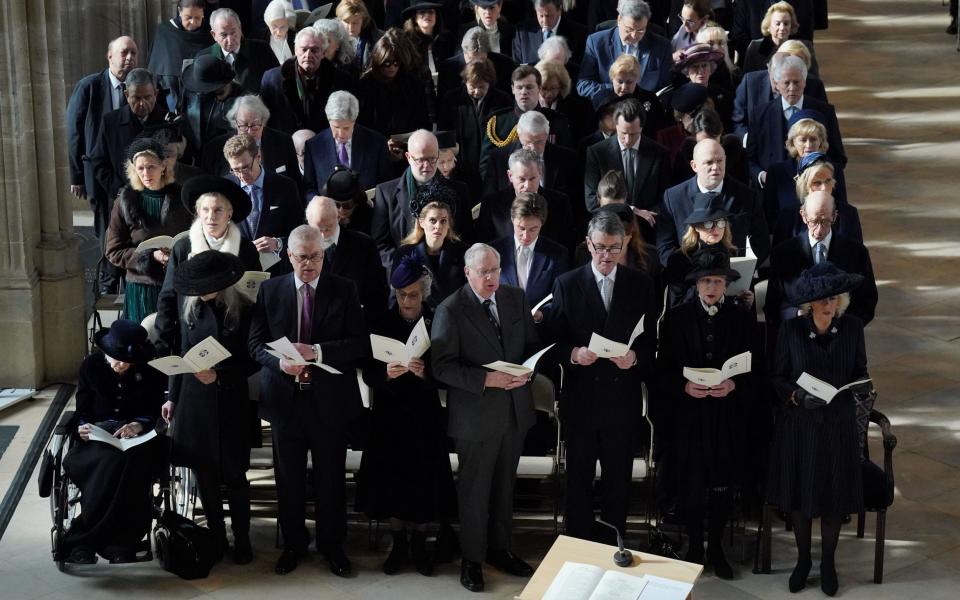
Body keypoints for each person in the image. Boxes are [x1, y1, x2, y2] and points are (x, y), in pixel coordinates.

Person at [249, 224, 368, 576]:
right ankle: (294, 544)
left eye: (316, 256)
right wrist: (280, 362)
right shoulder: (270, 291)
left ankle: (332, 546)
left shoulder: (344, 290)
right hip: (286, 401)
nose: (309, 264)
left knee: (331, 478)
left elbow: (359, 344)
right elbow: (255, 345)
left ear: (324, 254)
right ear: (289, 256)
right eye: (302, 257)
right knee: (289, 479)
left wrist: (315, 352)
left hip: (329, 401)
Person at [432, 243, 540, 593]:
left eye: (495, 270)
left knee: (504, 488)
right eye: (484, 272)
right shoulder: (451, 309)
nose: (492, 277)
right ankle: (472, 559)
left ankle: (500, 549)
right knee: (475, 491)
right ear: (467, 273)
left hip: (513, 411)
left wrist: (529, 371)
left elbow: (531, 347)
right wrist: (485, 379)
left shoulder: (515, 298)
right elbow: (442, 366)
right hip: (476, 418)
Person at [546, 211, 658, 545]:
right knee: (578, 481)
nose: (606, 256)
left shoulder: (640, 284)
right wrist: (573, 355)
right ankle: (577, 548)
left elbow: (652, 344)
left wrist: (635, 358)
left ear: (624, 243)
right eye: (599, 248)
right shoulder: (567, 283)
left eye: (613, 248)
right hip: (581, 400)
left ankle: (614, 546)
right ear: (588, 244)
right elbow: (551, 345)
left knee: (617, 482)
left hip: (620, 402)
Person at [767, 262, 871, 597]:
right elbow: (778, 378)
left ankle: (827, 562)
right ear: (811, 302)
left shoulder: (853, 328)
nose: (829, 304)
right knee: (800, 498)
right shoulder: (791, 331)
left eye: (834, 298)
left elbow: (860, 371)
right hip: (801, 426)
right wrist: (796, 396)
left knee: (833, 497)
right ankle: (803, 561)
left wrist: (859, 389)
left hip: (837, 426)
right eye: (822, 299)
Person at [656, 244, 754, 578]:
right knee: (693, 483)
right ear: (696, 284)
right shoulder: (678, 318)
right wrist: (684, 387)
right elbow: (664, 369)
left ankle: (716, 548)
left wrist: (734, 386)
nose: (711, 288)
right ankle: (695, 546)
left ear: (726, 284)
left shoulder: (741, 319)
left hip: (726, 415)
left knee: (722, 482)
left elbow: (755, 368)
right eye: (705, 282)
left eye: (717, 281)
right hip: (690, 415)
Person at [357, 254, 457, 576]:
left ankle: (419, 543)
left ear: (424, 293)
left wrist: (426, 372)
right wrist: (386, 373)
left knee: (424, 481)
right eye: (401, 294)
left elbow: (448, 370)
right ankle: (398, 543)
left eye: (413, 294)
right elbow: (368, 372)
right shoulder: (381, 322)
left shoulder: (437, 320)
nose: (407, 301)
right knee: (392, 481)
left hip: (425, 416)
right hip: (389, 415)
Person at [162, 250, 258, 564]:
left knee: (235, 476)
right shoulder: (188, 306)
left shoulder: (243, 309)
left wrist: (220, 374)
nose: (200, 292)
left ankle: (242, 538)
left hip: (230, 401)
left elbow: (253, 360)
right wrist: (172, 396)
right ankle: (217, 536)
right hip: (194, 401)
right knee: (204, 475)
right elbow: (182, 351)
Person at [59, 320, 164, 564]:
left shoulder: (148, 369)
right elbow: (82, 409)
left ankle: (117, 540)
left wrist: (138, 425)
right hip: (97, 437)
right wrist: (82, 427)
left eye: (127, 361)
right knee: (106, 464)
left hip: (136, 440)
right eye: (117, 359)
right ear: (106, 352)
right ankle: (95, 540)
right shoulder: (91, 366)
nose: (122, 365)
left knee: (129, 465)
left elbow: (153, 409)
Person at [155, 175, 260, 354]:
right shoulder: (183, 248)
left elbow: (256, 297)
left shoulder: (246, 249)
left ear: (230, 213)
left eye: (218, 210)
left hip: (232, 342)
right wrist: (162, 346)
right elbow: (168, 298)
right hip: (191, 340)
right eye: (205, 210)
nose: (211, 217)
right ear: (198, 212)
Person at [766, 190, 877, 343]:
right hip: (797, 340)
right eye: (814, 221)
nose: (819, 230)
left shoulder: (856, 253)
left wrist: (840, 327)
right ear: (803, 216)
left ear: (835, 217)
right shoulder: (783, 254)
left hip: (841, 342)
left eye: (825, 222)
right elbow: (774, 305)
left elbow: (867, 302)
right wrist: (798, 318)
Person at [105, 138, 192, 324]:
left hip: (177, 283)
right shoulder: (124, 202)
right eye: (140, 168)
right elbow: (113, 251)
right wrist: (150, 257)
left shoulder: (182, 198)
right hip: (142, 286)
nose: (146, 173)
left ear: (163, 166)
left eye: (151, 167)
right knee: (144, 343)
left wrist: (177, 254)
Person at [657, 138, 769, 266]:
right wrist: (690, 272)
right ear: (694, 166)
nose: (715, 167)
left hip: (735, 278)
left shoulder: (747, 196)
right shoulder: (673, 198)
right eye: (709, 162)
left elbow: (761, 243)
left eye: (719, 161)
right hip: (688, 280)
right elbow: (665, 246)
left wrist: (739, 270)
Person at [372, 129, 473, 267]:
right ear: (408, 157)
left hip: (448, 275)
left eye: (432, 159)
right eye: (420, 160)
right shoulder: (386, 193)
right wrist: (403, 267)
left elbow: (467, 237)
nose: (427, 166)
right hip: (405, 276)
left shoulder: (459, 191)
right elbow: (380, 245)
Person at [68, 36, 139, 227]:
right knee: (105, 227)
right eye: (124, 52)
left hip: (133, 172)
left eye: (134, 53)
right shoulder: (88, 87)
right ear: (109, 56)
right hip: (99, 172)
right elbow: (74, 132)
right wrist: (77, 176)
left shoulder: (141, 87)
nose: (130, 57)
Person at [747, 56, 845, 187]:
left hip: (813, 190)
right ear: (776, 84)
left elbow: (838, 157)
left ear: (805, 82)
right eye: (786, 83)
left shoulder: (824, 112)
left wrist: (821, 176)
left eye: (797, 82)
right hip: (773, 192)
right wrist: (762, 176)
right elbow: (750, 158)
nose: (792, 88)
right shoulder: (760, 114)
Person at [583, 98, 670, 243]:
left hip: (647, 233)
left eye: (634, 134)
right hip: (608, 231)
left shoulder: (659, 154)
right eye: (623, 133)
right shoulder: (597, 152)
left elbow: (665, 197)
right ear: (615, 125)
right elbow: (591, 200)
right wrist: (631, 209)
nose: (628, 140)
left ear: (642, 128)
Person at [223, 133, 303, 275]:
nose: (242, 175)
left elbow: (297, 231)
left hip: (276, 272)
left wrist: (278, 243)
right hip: (237, 271)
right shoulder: (225, 187)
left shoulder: (286, 186)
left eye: (246, 167)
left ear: (258, 156)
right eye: (235, 170)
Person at [90, 68, 169, 207]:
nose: (142, 103)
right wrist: (119, 191)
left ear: (156, 94)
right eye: (136, 98)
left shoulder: (169, 122)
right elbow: (99, 162)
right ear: (126, 95)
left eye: (147, 97)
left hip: (161, 199)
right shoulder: (111, 122)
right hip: (123, 200)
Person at [662, 192, 755, 309]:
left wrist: (742, 300)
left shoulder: (730, 253)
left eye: (720, 222)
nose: (715, 228)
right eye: (708, 223)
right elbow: (675, 304)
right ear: (696, 227)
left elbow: (730, 296)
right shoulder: (679, 258)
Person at [490, 193, 569, 322]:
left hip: (540, 332)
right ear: (512, 219)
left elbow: (560, 299)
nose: (526, 236)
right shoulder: (493, 251)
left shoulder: (558, 254)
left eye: (533, 229)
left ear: (542, 224)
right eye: (521, 228)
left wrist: (542, 314)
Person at [260, 26, 353, 134]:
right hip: (286, 144)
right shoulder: (272, 79)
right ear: (295, 50)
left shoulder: (341, 80)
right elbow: (265, 119)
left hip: (323, 143)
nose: (308, 55)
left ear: (323, 53)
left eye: (314, 50)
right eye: (304, 49)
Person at [201, 94, 302, 193]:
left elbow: (296, 183)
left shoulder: (283, 141)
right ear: (235, 123)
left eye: (254, 125)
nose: (249, 132)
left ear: (263, 122)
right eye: (244, 125)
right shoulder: (214, 149)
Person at [306, 195, 388, 317]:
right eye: (318, 230)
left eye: (328, 229)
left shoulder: (364, 245)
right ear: (308, 222)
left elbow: (378, 292)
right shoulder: (300, 249)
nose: (323, 236)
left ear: (338, 217)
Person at [301, 91, 392, 200]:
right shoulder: (314, 146)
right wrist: (320, 205)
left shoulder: (377, 142)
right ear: (328, 120)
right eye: (335, 127)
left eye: (346, 128)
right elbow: (308, 188)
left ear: (354, 120)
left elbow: (387, 184)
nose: (340, 134)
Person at [479, 149, 575, 248]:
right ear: (510, 176)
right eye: (522, 179)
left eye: (532, 178)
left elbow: (567, 244)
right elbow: (484, 244)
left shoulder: (560, 203)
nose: (527, 186)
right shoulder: (491, 204)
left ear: (540, 173)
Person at [577, 0, 672, 99]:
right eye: (629, 30)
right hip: (608, 105)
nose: (634, 36)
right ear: (619, 20)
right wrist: (617, 89)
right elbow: (583, 85)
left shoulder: (662, 46)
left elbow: (666, 87)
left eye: (640, 30)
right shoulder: (596, 42)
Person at [437, 58, 513, 178]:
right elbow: (444, 131)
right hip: (459, 165)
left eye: (482, 87)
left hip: (493, 166)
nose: (477, 91)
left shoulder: (503, 100)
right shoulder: (452, 100)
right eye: (472, 86)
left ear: (490, 82)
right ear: (465, 81)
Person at [731, 46, 825, 141]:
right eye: (775, 75)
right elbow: (738, 121)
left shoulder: (813, 85)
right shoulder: (750, 82)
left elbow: (823, 121)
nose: (778, 80)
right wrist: (749, 139)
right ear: (768, 68)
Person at [355, 31, 432, 146]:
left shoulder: (411, 83)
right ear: (379, 60)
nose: (392, 67)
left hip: (409, 145)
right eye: (387, 63)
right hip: (376, 145)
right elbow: (362, 123)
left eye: (396, 63)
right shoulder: (366, 85)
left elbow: (423, 119)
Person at [482, 109, 578, 200]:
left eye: (538, 142)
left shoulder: (567, 158)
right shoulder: (499, 158)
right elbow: (491, 201)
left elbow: (575, 200)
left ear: (546, 135)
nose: (533, 148)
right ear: (519, 135)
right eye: (527, 142)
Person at [771, 153, 862, 247]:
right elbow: (779, 257)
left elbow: (857, 255)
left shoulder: (848, 214)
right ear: (804, 185)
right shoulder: (788, 216)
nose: (824, 188)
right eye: (817, 183)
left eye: (828, 181)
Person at [394, 193, 467, 308]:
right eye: (433, 220)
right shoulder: (405, 253)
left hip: (454, 318)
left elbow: (468, 295)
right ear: (421, 222)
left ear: (449, 224)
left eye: (443, 221)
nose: (438, 226)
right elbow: (397, 295)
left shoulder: (463, 252)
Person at [179, 55, 246, 160]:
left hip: (223, 155)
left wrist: (224, 92)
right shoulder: (191, 91)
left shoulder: (240, 98)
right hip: (195, 152)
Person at [587, 54, 671, 138]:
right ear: (612, 79)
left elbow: (660, 130)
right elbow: (591, 129)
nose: (624, 87)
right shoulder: (601, 99)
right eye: (620, 81)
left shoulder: (650, 99)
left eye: (629, 82)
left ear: (637, 80)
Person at [196, 7, 277, 93]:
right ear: (213, 35)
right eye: (224, 35)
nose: (230, 40)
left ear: (240, 28)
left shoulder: (261, 50)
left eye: (233, 32)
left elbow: (277, 82)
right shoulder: (204, 59)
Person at [148, 0, 211, 108]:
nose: (193, 22)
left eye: (198, 17)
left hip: (203, 99)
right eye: (188, 17)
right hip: (171, 95)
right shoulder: (164, 32)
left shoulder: (208, 33)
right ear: (179, 11)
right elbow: (155, 69)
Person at [671, 42, 734, 134]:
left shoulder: (722, 95)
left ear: (711, 69)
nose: (700, 71)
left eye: (704, 65)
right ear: (687, 72)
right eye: (695, 67)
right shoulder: (680, 97)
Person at [742, 2, 814, 75]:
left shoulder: (804, 47)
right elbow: (748, 78)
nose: (782, 28)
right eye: (777, 24)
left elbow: (814, 79)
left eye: (786, 24)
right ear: (769, 26)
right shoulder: (755, 48)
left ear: (791, 26)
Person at [513, 0, 588, 65]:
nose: (545, 21)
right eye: (541, 16)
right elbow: (518, 68)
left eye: (548, 16)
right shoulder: (523, 33)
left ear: (559, 10)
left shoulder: (579, 33)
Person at [402, 1, 457, 75]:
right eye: (422, 12)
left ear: (436, 15)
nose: (427, 15)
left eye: (431, 12)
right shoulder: (407, 41)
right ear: (414, 17)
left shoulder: (448, 39)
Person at [339, 0, 386, 76]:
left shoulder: (381, 40)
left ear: (363, 21)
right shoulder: (334, 40)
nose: (350, 28)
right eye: (347, 22)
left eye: (355, 23)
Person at [256, 1, 295, 65]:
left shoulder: (297, 36)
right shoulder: (257, 38)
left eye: (282, 27)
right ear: (268, 23)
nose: (278, 32)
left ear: (289, 24)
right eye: (274, 26)